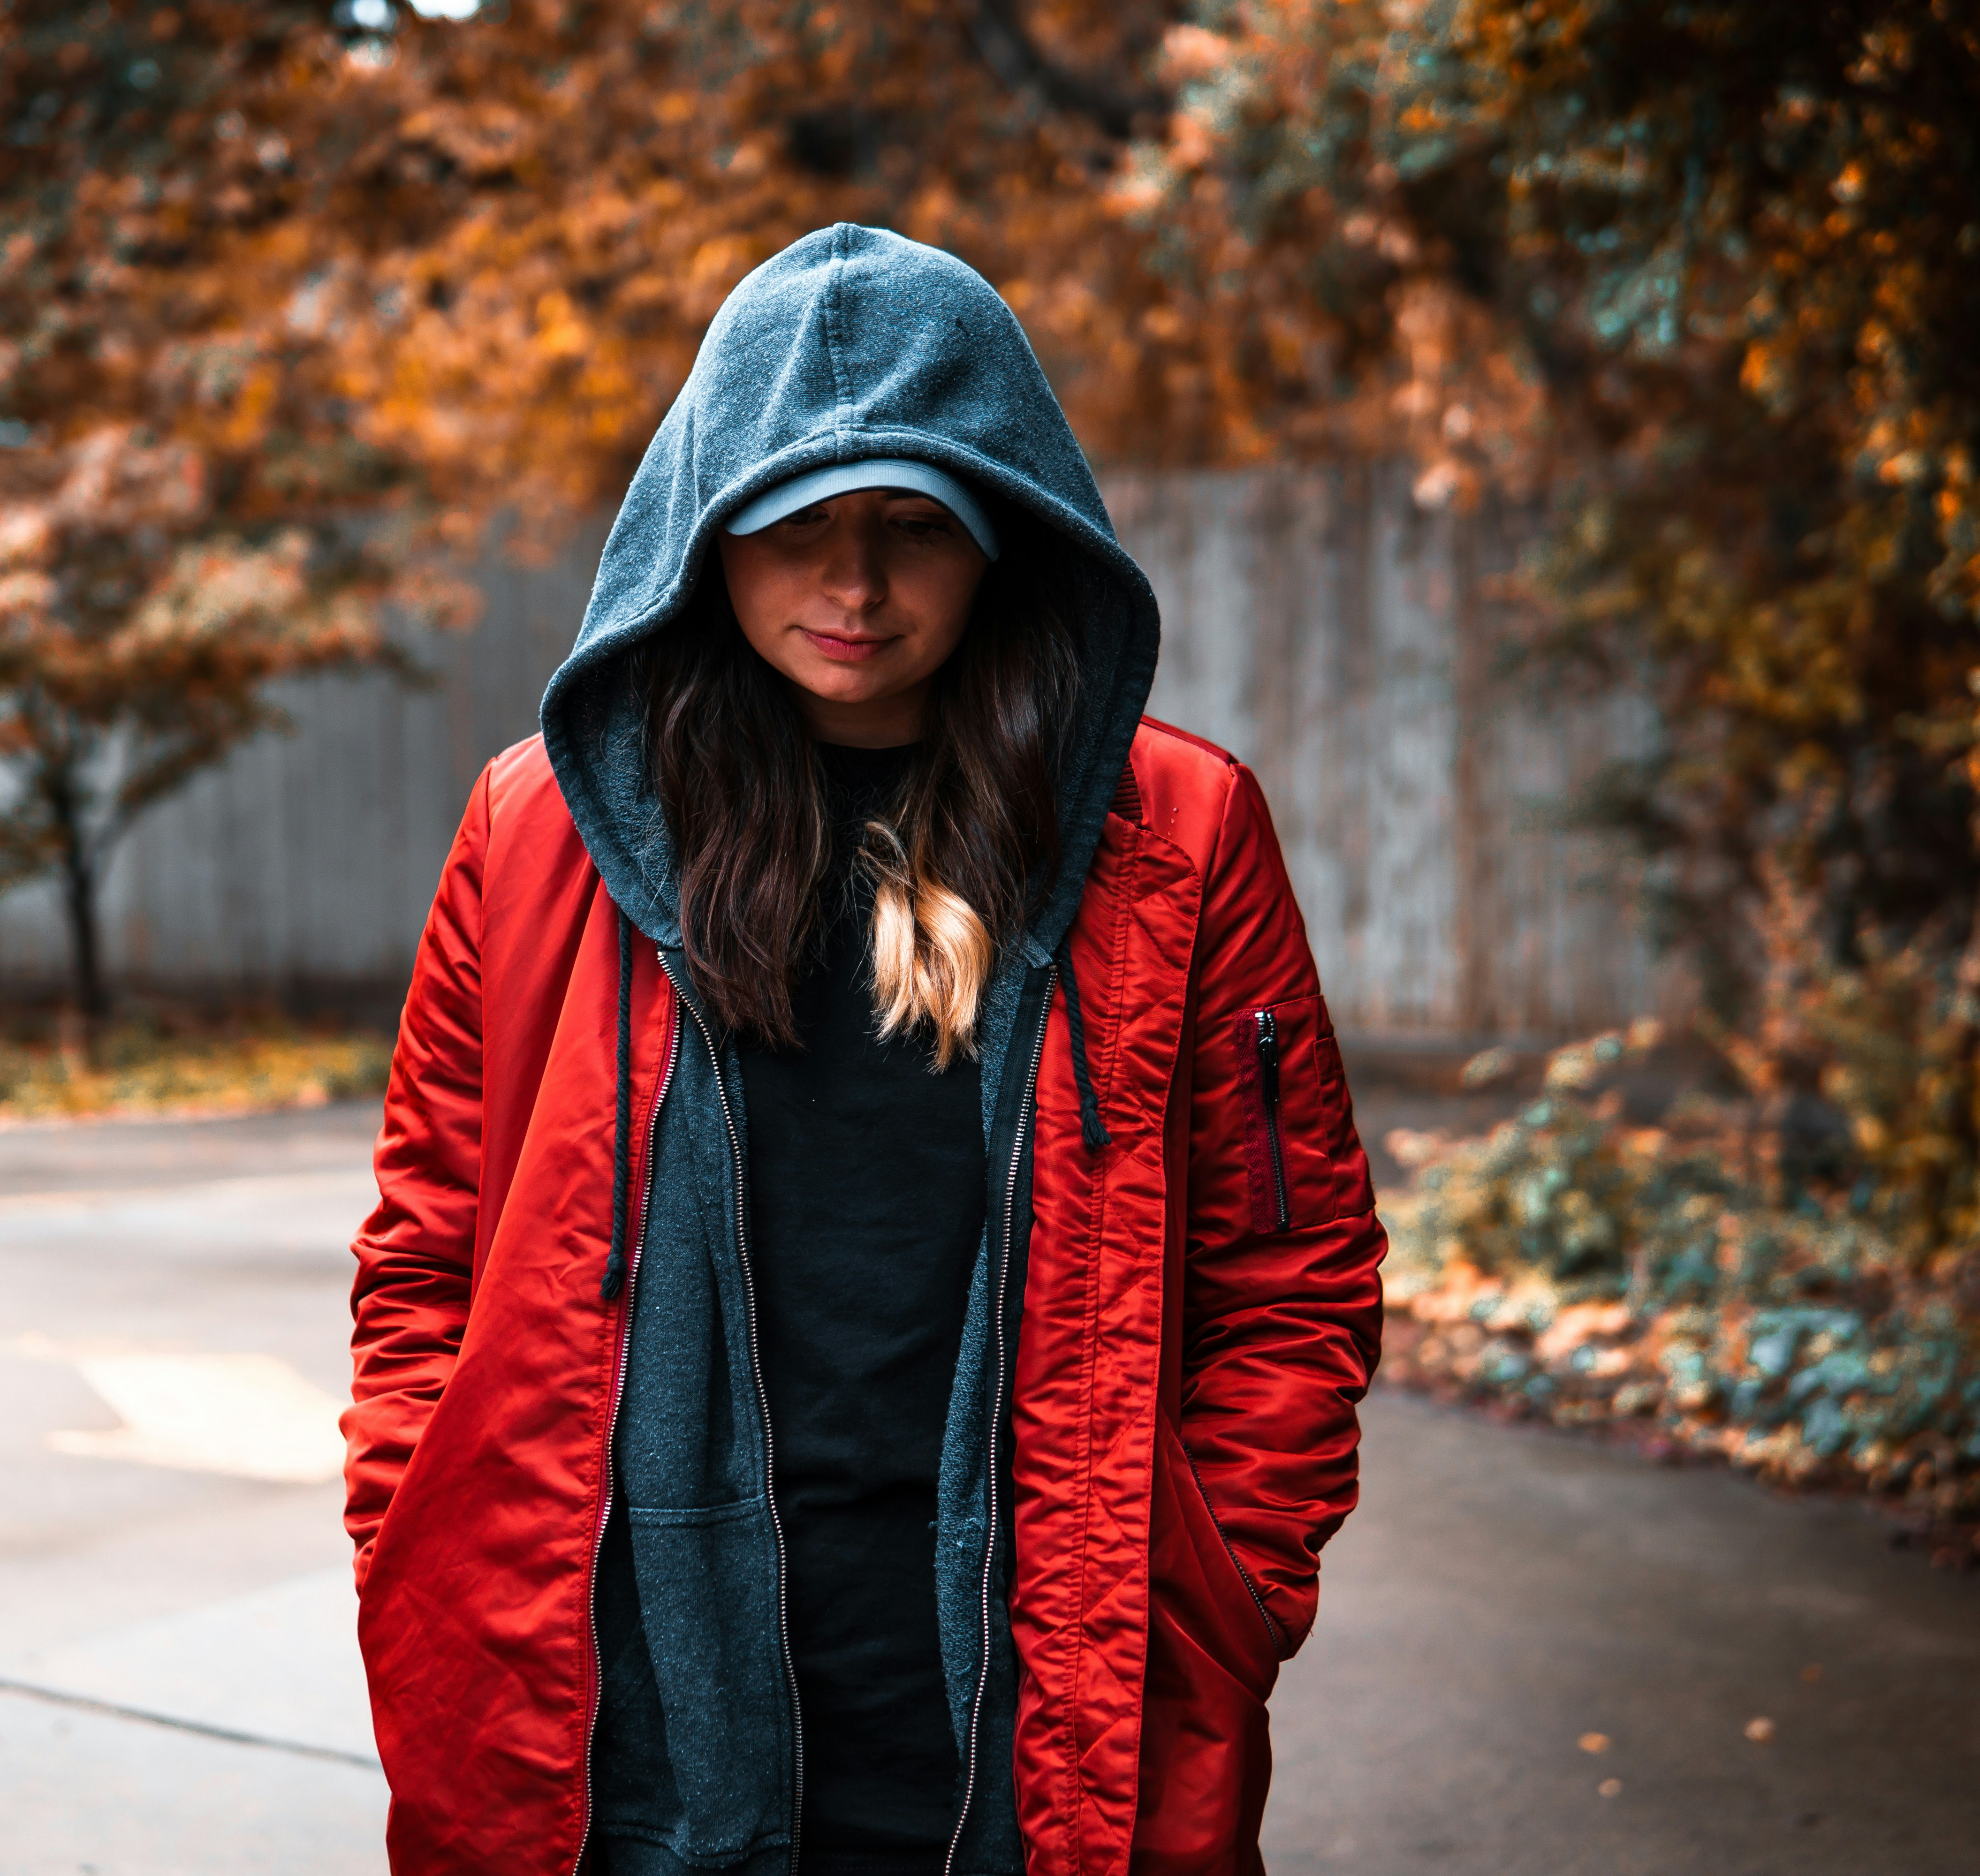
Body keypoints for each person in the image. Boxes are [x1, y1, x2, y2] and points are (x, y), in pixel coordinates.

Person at [343, 224, 1385, 1876]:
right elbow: (423, 1265)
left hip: (1037, 1684)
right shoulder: (535, 834)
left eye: (913, 528)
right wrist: (420, 1537)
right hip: (622, 1704)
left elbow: (1293, 1268)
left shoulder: (1174, 833)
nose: (856, 588)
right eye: (797, 529)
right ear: (709, 533)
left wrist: (1222, 1590)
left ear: (1003, 536)